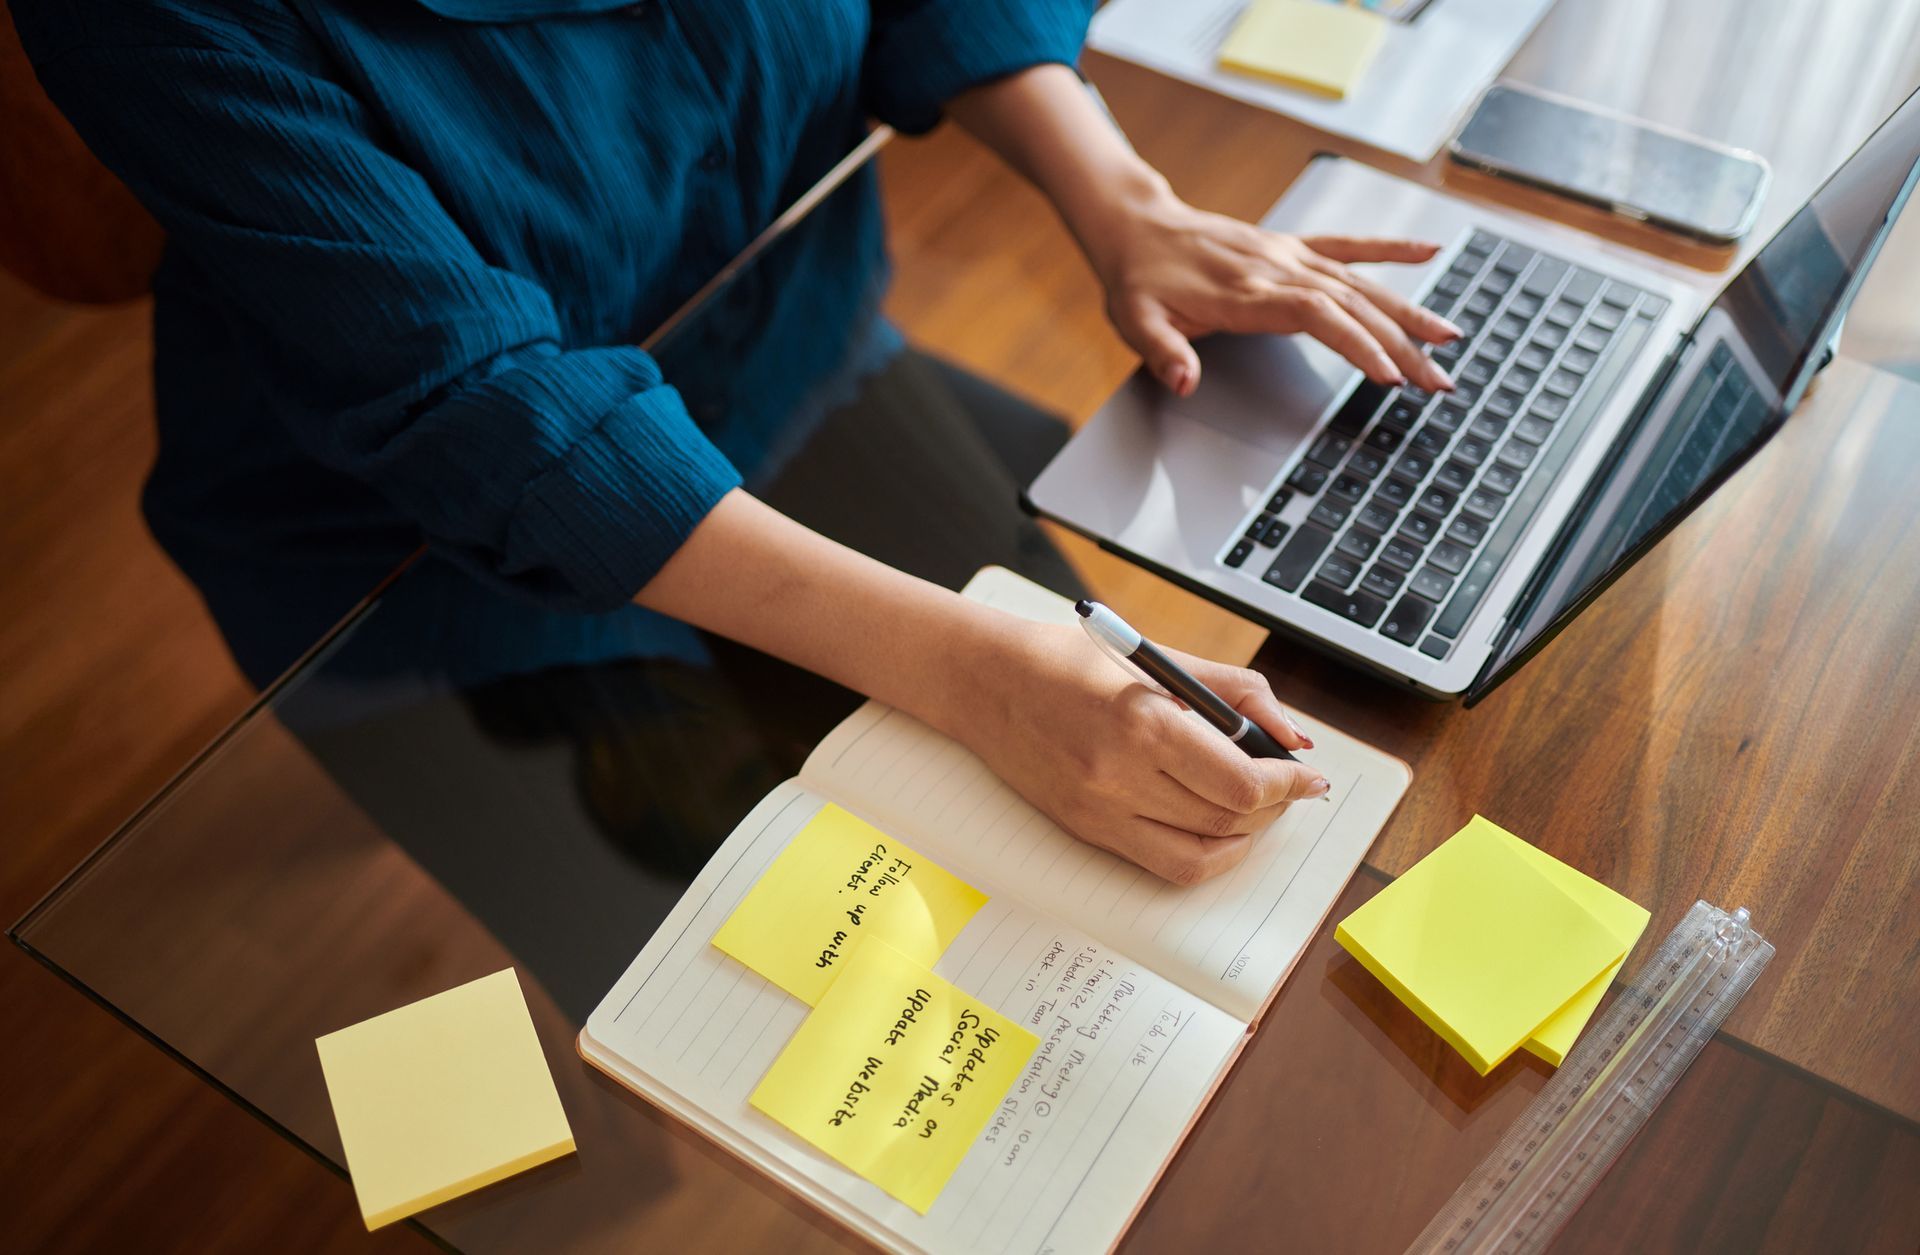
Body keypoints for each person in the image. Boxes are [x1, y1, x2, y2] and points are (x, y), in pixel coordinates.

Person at [15, 0, 1457, 887]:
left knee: (1147, 821)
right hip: (441, 569)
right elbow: (485, 411)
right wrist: (972, 671)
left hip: (801, 358)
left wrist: (1120, 195)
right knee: (862, 977)